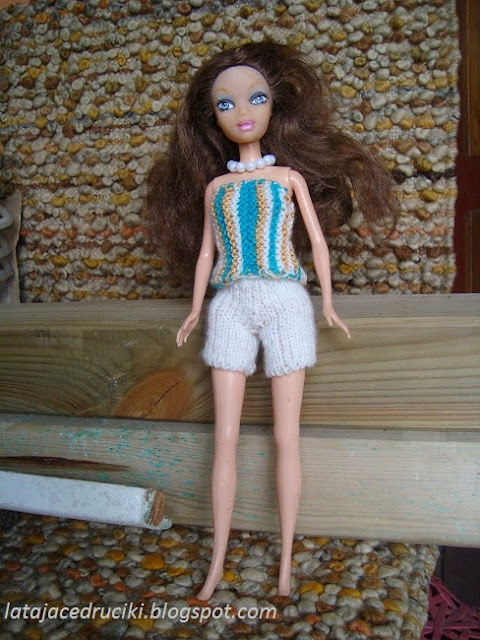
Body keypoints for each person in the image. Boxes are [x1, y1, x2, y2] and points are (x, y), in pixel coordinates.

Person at [146, 41, 396, 600]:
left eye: (255, 98)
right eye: (225, 104)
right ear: (211, 117)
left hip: (285, 298)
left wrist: (327, 302)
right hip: (231, 302)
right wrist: (195, 307)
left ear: (275, 105)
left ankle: (284, 563)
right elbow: (207, 254)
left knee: (287, 437)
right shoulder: (217, 188)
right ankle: (216, 563)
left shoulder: (287, 178)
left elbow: (317, 244)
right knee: (225, 438)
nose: (242, 112)